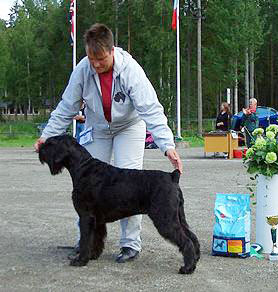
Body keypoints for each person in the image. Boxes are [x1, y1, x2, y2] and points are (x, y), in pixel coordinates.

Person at [34, 23, 182, 263]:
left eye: (100, 59)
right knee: (86, 186)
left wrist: (167, 146)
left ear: (112, 50)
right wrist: (47, 136)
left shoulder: (131, 70)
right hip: (98, 127)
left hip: (130, 127)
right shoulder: (82, 69)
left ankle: (130, 244)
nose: (96, 64)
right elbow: (66, 107)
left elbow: (151, 110)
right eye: (91, 58)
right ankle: (87, 243)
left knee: (131, 182)